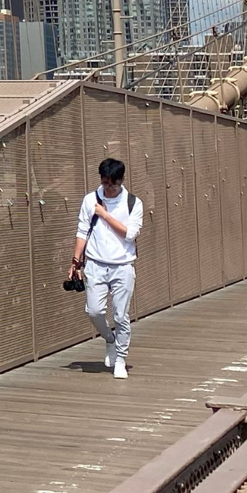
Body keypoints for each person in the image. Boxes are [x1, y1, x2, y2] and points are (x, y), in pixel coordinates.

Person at [67, 157, 146, 377]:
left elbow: (129, 234)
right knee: (93, 310)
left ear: (121, 180)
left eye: (113, 183)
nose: (108, 187)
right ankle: (110, 339)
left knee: (121, 315)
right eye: (105, 182)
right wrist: (75, 261)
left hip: (123, 264)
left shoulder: (133, 203)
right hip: (96, 263)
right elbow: (82, 230)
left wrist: (104, 215)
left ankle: (120, 358)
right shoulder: (90, 199)